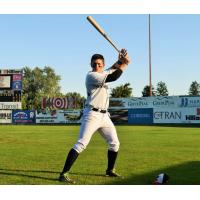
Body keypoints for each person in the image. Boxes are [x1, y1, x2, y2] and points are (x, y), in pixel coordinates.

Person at [59, 49, 131, 183]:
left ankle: (110, 171)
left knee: (114, 143)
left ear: (103, 65)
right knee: (81, 144)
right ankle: (63, 174)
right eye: (94, 64)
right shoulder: (91, 76)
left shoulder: (103, 72)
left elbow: (114, 68)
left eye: (99, 64)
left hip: (104, 116)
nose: (96, 66)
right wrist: (125, 64)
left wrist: (122, 59)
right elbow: (114, 77)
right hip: (92, 115)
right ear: (91, 65)